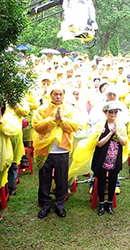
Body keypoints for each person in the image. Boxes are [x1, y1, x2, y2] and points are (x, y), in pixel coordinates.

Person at [33, 85, 80, 219]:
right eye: (55, 94)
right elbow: (37, 127)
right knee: (44, 179)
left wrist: (61, 120)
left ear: (64, 95)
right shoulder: (42, 109)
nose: (58, 97)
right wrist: (53, 120)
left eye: (60, 94)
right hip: (45, 150)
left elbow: (74, 126)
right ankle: (45, 204)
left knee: (61, 179)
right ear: (50, 95)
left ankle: (60, 205)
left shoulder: (70, 110)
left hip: (62, 150)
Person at [92, 102, 129, 215]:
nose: (113, 114)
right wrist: (110, 134)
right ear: (105, 113)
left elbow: (123, 143)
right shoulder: (100, 126)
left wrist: (116, 133)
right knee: (101, 181)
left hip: (114, 158)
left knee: (113, 181)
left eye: (115, 112)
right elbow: (99, 144)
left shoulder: (121, 126)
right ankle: (101, 204)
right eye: (110, 111)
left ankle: (109, 204)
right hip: (102, 158)